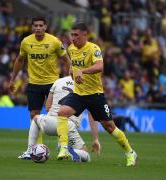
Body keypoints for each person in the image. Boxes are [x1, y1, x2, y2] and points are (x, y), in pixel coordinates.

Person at [56, 22, 137, 166]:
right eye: (71, 34)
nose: (73, 38)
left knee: (109, 127)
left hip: (95, 95)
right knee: (62, 112)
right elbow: (74, 65)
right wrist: (72, 70)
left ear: (85, 34)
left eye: (76, 35)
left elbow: (100, 66)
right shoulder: (72, 48)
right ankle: (63, 148)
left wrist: (83, 71)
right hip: (79, 94)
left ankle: (130, 152)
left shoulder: (94, 48)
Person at [8, 17, 71, 144]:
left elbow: (66, 60)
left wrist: (69, 79)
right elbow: (20, 60)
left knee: (58, 114)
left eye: (40, 25)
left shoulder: (54, 41)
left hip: (53, 83)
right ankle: (37, 147)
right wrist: (12, 79)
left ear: (45, 27)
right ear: (32, 27)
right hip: (34, 83)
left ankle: (63, 143)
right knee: (34, 115)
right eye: (35, 25)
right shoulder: (26, 42)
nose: (38, 28)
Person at [18, 76, 101, 162]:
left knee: (35, 118)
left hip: (51, 123)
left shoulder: (58, 81)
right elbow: (92, 114)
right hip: (70, 126)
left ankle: (29, 151)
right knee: (86, 155)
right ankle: (68, 150)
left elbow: (47, 107)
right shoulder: (88, 86)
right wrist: (95, 139)